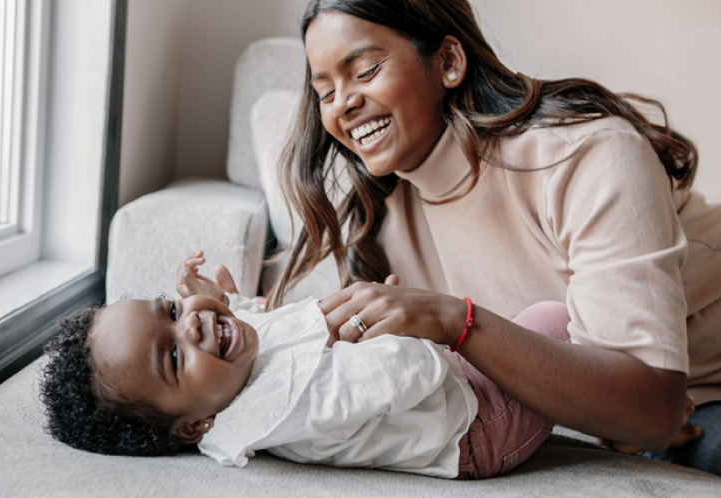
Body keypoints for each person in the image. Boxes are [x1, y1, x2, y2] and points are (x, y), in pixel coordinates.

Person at [267, 0, 721, 475]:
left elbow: (648, 412)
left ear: (448, 62)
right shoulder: (379, 223)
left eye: (365, 70)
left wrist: (455, 321)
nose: (343, 103)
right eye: (324, 92)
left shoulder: (585, 154)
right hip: (598, 419)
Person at [40, 252, 571, 479]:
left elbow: (266, 334)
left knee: (519, 324)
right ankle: (614, 416)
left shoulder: (229, 376)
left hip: (448, 383)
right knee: (552, 321)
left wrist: (229, 298)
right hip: (477, 424)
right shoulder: (287, 408)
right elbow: (413, 375)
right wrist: (402, 321)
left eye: (172, 310)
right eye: (174, 355)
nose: (193, 323)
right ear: (194, 425)